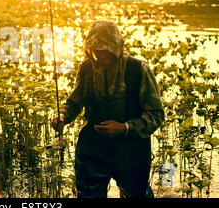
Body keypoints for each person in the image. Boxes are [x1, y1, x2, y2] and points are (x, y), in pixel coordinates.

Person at [51, 20, 164, 198]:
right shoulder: (87, 67)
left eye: (104, 53)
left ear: (116, 48)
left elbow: (156, 115)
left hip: (131, 152)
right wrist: (62, 115)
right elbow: (74, 102)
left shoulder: (138, 69)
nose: (98, 58)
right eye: (94, 53)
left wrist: (124, 128)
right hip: (93, 150)